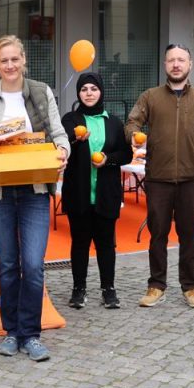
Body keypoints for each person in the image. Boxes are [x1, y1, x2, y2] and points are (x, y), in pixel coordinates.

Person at [0, 35, 70, 362]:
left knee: (34, 265)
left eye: (15, 59)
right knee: (8, 264)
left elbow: (58, 134)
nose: (10, 66)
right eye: (3, 61)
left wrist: (63, 151)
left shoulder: (40, 92)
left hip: (35, 189)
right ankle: (12, 331)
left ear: (24, 60)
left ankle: (32, 333)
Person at [125, 44, 194, 309]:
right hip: (158, 178)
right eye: (171, 60)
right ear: (165, 65)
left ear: (190, 64)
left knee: (189, 235)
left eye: (181, 60)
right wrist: (134, 135)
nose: (176, 64)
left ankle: (190, 287)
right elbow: (132, 122)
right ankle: (156, 285)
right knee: (157, 234)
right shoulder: (151, 96)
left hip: (191, 178)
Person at [59, 72, 128, 310]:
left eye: (93, 89)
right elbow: (63, 140)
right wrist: (77, 139)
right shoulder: (71, 118)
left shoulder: (114, 122)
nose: (89, 93)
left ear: (101, 92)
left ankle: (108, 289)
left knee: (106, 243)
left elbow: (125, 153)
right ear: (78, 93)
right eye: (84, 89)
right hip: (79, 192)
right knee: (79, 242)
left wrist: (108, 159)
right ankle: (78, 290)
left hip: (106, 193)